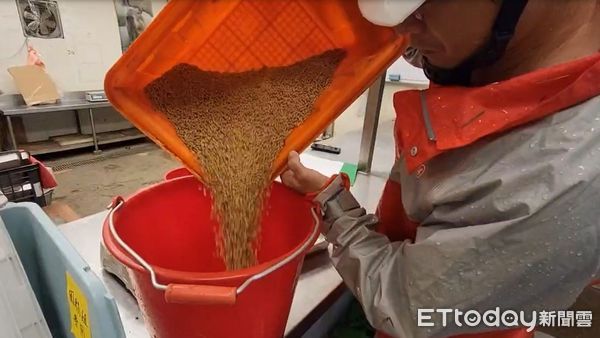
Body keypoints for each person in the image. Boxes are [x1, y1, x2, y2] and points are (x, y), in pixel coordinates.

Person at [281, 0, 600, 337]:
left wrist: (336, 210)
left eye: (423, 5)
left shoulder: (567, 175)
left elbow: (406, 306)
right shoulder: (492, 42)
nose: (404, 29)